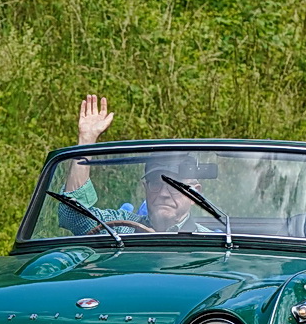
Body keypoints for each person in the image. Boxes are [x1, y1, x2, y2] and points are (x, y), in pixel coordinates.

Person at [57, 95, 210, 234]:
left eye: (175, 186)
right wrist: (86, 140)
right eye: (156, 183)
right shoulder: (121, 229)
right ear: (146, 188)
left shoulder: (211, 244)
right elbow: (73, 216)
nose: (164, 194)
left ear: (194, 194)